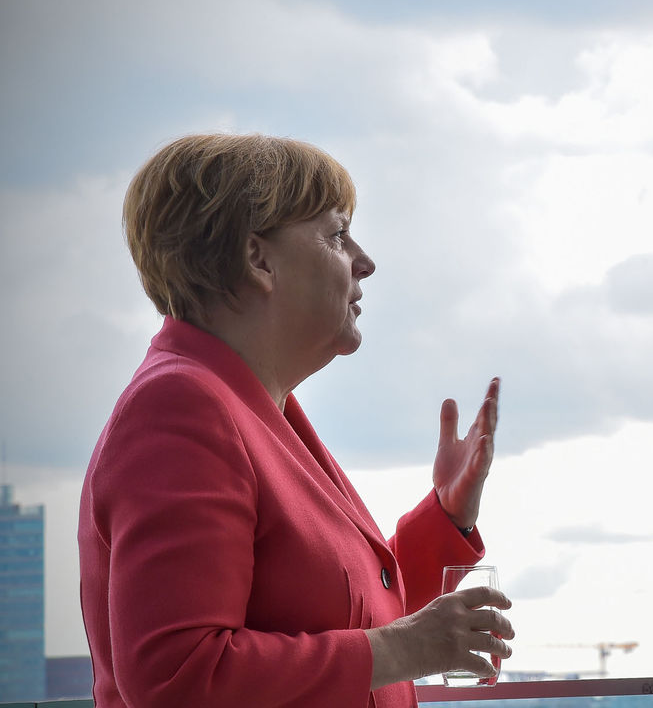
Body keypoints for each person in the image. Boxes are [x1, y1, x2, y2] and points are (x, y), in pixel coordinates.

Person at [78, 133, 515, 708]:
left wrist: (446, 520)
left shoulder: (249, 406)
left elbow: (347, 614)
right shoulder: (181, 406)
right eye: (337, 234)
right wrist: (406, 650)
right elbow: (178, 678)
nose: (365, 262)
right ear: (258, 259)